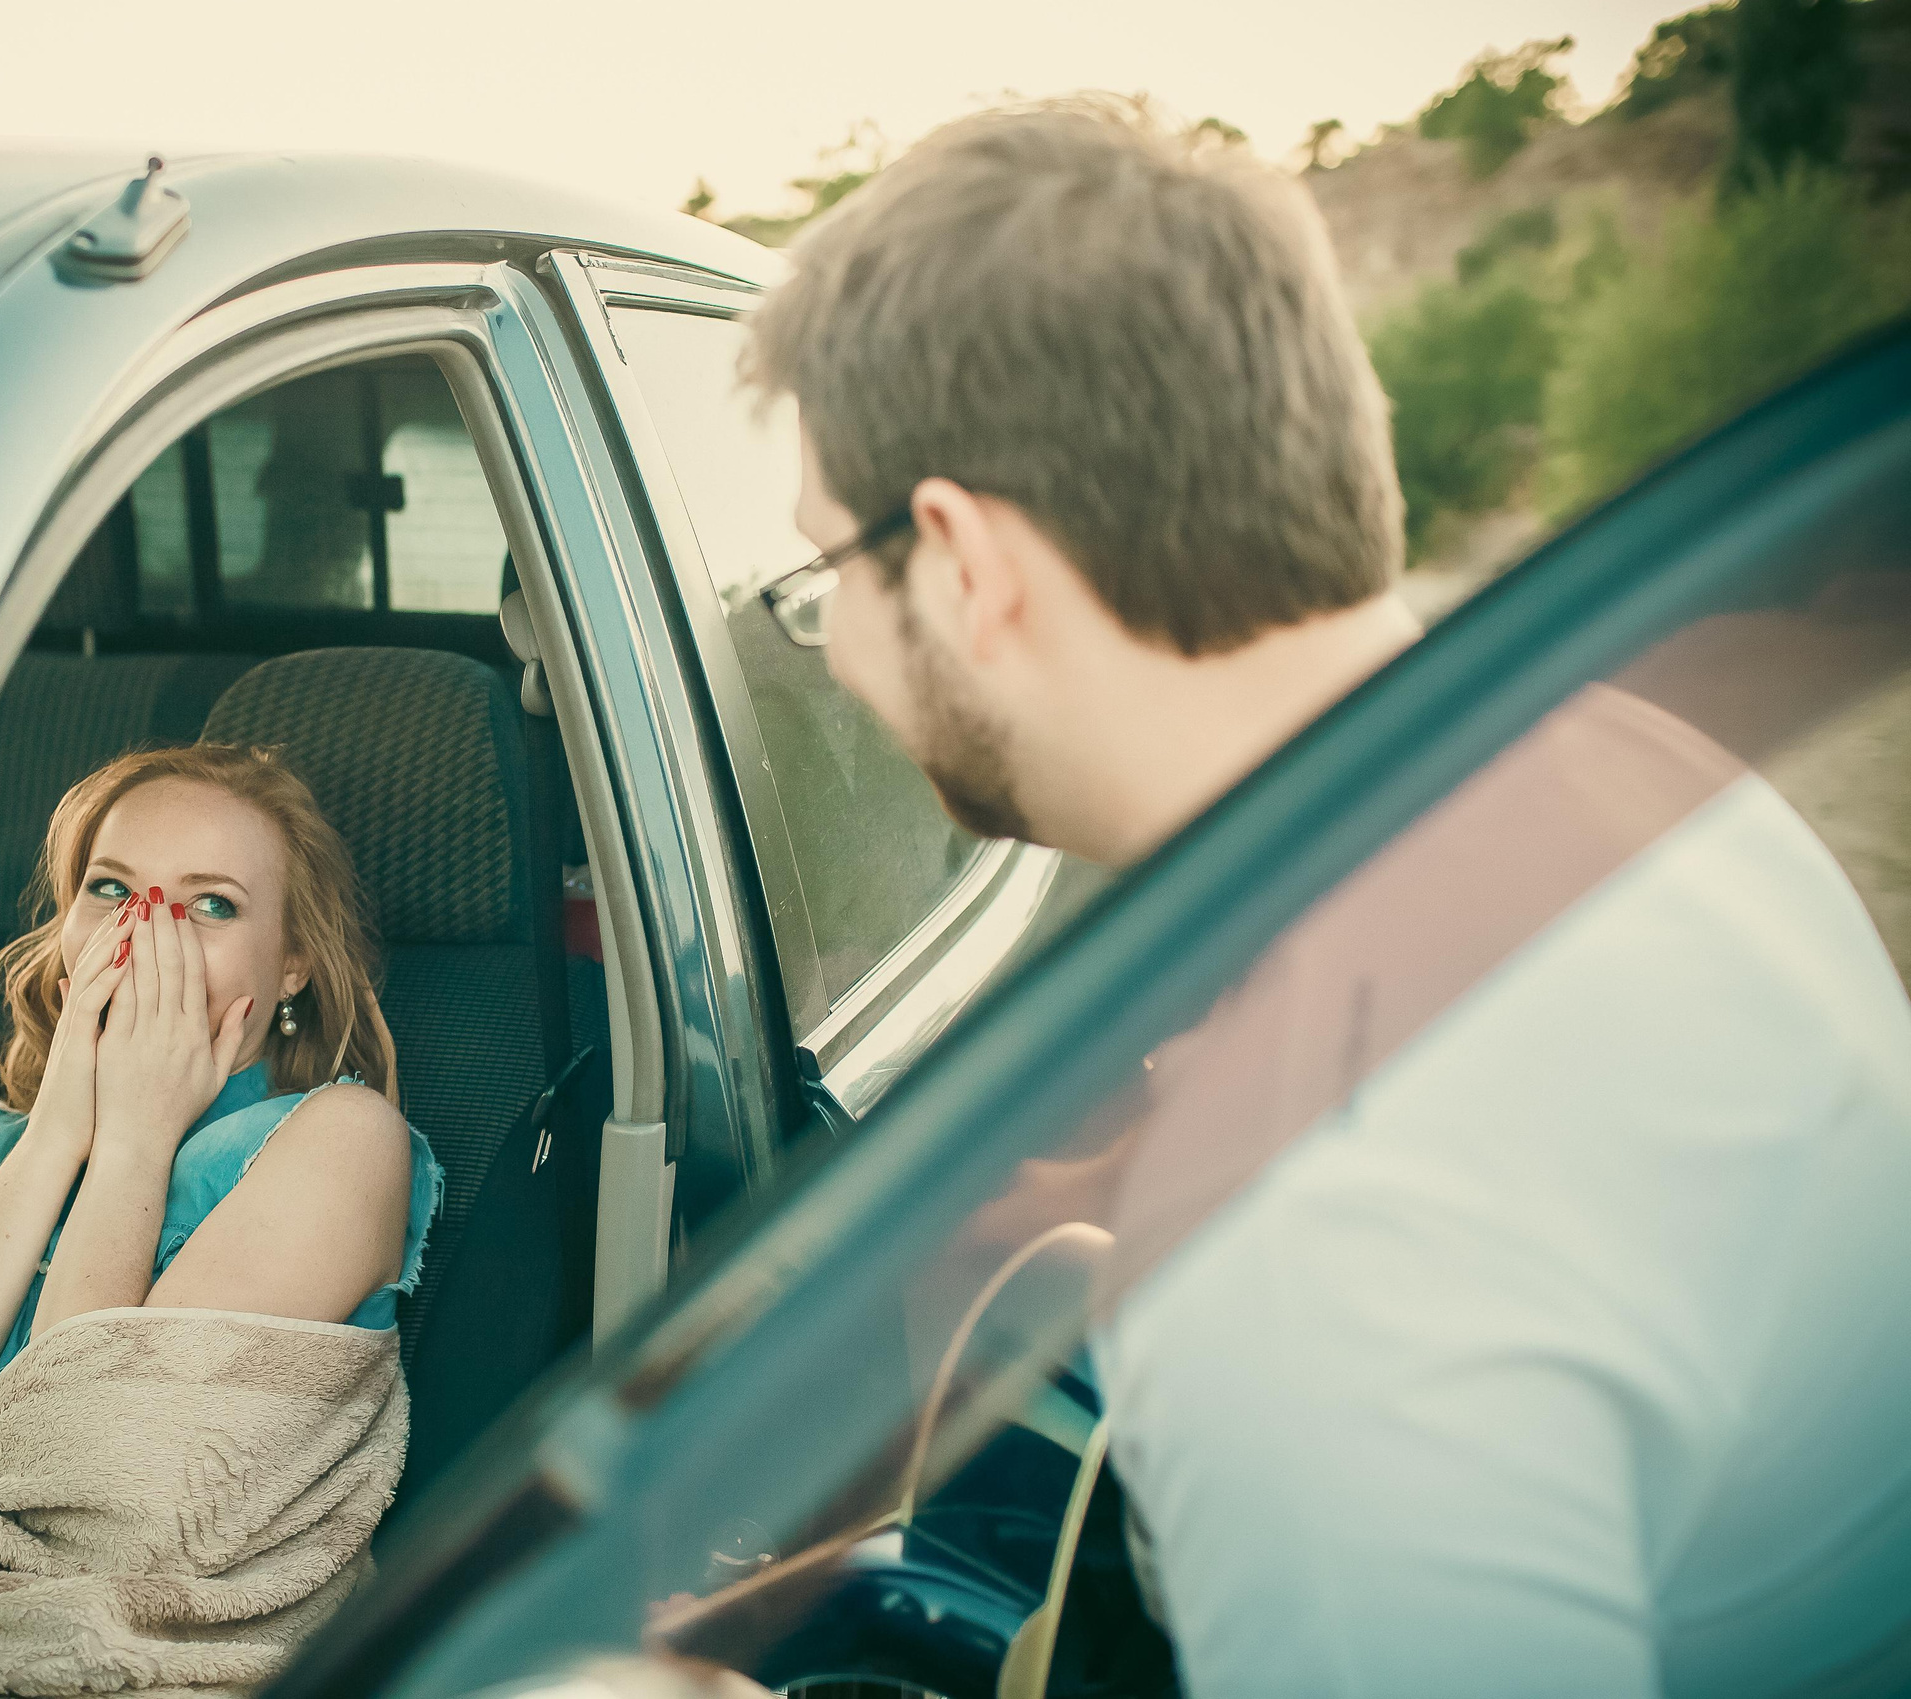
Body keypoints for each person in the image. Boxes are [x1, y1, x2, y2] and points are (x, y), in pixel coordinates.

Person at [739, 102, 1911, 1693]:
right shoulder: (1620, 762)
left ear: (962, 561)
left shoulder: (1309, 1240)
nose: (829, 647)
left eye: (824, 574)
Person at [0, 741, 443, 1514]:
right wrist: (55, 1137)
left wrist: (136, 1136)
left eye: (213, 903)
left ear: (291, 963)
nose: (147, 932)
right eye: (111, 888)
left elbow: (67, 1478)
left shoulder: (342, 1143)